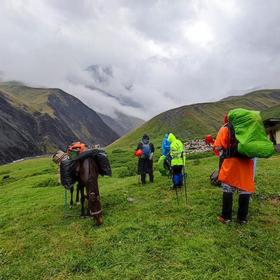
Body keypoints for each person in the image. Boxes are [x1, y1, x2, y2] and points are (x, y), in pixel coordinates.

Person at [213, 116, 254, 225]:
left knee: (228, 188)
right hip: (247, 163)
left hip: (230, 163)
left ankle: (226, 217)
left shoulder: (225, 128)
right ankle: (242, 219)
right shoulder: (249, 127)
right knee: (244, 189)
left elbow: (217, 147)